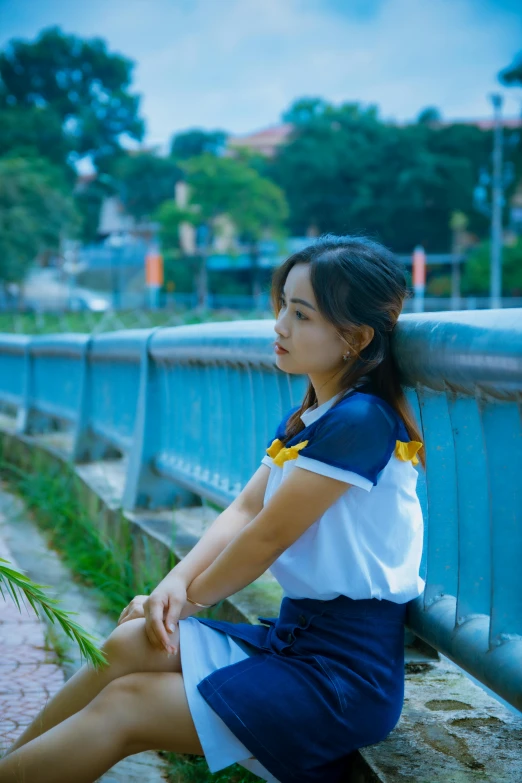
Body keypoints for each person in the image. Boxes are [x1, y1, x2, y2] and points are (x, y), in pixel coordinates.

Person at [0, 234, 425, 783]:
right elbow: (245, 509)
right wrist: (173, 586)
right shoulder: (314, 415)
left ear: (356, 337)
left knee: (128, 703)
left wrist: (194, 600)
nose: (279, 327)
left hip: (341, 675)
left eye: (300, 315)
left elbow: (268, 536)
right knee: (133, 641)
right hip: (296, 641)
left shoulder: (361, 422)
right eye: (281, 307)